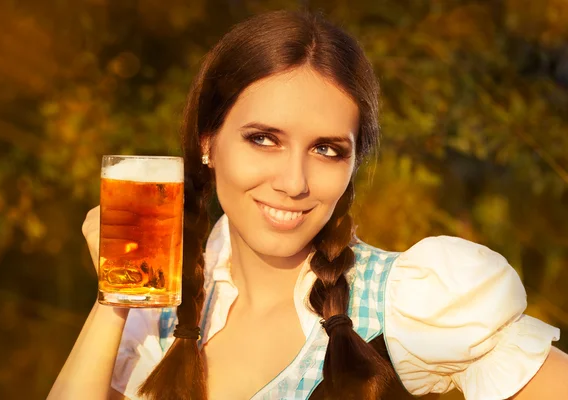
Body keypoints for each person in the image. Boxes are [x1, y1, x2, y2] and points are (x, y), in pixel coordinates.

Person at [48, 9, 568, 400]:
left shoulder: (408, 302)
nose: (294, 182)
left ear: (352, 163)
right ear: (207, 140)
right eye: (264, 139)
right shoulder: (157, 315)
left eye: (326, 149)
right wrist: (113, 302)